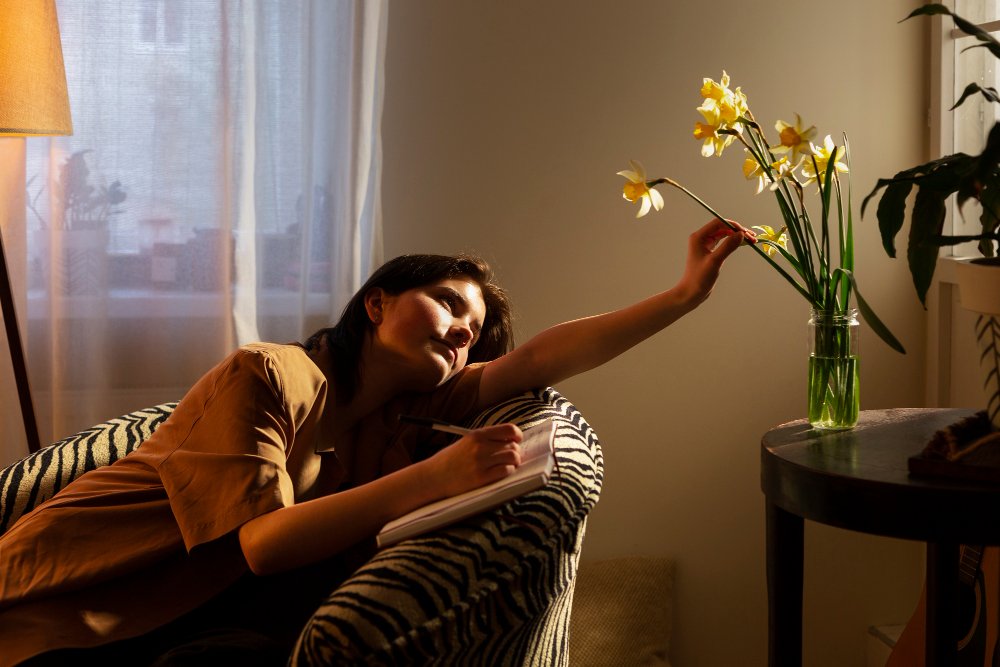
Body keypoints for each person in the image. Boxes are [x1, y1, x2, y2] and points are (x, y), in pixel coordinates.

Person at [0, 217, 752, 665]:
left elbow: (537, 361)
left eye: (473, 332)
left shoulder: (401, 409)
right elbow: (260, 543)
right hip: (57, 608)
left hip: (179, 621)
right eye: (448, 304)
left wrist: (684, 295)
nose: (464, 331)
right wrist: (432, 479)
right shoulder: (269, 374)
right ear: (377, 302)